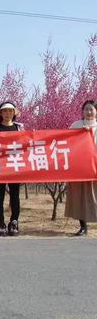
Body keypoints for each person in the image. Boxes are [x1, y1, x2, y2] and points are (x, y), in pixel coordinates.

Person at [0, 101, 24, 236]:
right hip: (0, 166)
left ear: (14, 113)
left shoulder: (20, 128)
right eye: (5, 111)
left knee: (15, 195)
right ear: (0, 113)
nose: (7, 113)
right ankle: (1, 223)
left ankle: (14, 221)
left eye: (10, 111)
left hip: (15, 166)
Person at [65, 99, 97, 236]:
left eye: (91, 109)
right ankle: (83, 227)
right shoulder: (76, 125)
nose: (88, 112)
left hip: (94, 166)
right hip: (78, 167)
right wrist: (79, 134)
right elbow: (65, 141)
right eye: (86, 109)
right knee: (79, 196)